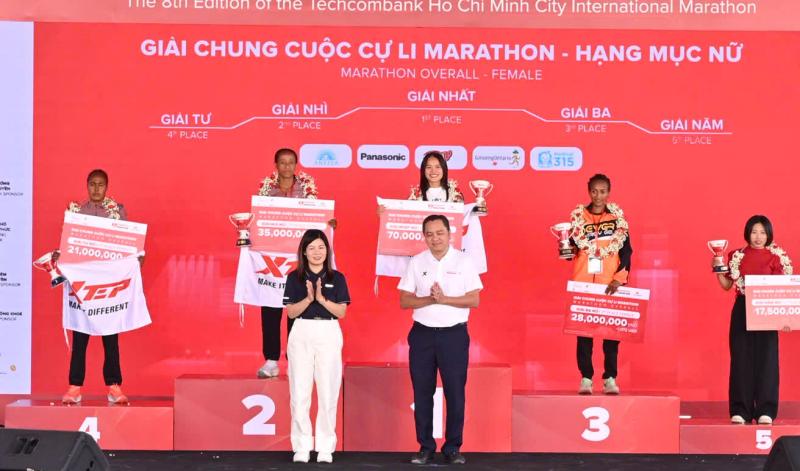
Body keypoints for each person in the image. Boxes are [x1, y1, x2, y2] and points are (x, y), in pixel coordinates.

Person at [398, 214, 482, 465]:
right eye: (430, 234)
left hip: (453, 335)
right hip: (422, 334)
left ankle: (453, 447)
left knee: (455, 393)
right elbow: (404, 300)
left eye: (440, 233)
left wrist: (445, 299)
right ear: (424, 237)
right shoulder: (417, 261)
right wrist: (429, 299)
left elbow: (474, 299)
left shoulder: (464, 261)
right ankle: (425, 447)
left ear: (449, 234)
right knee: (422, 392)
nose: (435, 238)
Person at [57, 169, 130, 405]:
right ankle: (74, 387)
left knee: (111, 338)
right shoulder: (76, 212)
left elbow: (127, 245)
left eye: (101, 185)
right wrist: (61, 257)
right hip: (83, 286)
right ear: (87, 186)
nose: (96, 189)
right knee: (80, 338)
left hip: (108, 285)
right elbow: (67, 245)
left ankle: (114, 386)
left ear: (107, 187)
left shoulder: (117, 212)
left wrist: (137, 258)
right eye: (92, 184)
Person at [715, 215, 792, 425]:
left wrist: (786, 318)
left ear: (769, 235)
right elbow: (726, 285)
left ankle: (766, 409)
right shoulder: (736, 256)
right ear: (747, 233)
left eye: (763, 232)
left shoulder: (777, 257)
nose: (758, 237)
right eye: (754, 232)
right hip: (743, 308)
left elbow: (783, 290)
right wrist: (717, 267)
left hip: (767, 309)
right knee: (741, 358)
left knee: (767, 359)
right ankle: (741, 410)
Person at [283, 229, 349, 463]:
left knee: (328, 391)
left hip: (328, 331)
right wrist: (309, 299)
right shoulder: (294, 277)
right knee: (299, 392)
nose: (317, 252)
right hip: (301, 331)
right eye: (311, 248)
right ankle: (301, 446)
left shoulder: (337, 277)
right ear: (304, 252)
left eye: (321, 247)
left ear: (327, 251)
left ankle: (325, 447)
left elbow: (341, 312)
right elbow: (291, 312)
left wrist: (321, 299)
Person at [255, 148, 321, 379]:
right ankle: (271, 360)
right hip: (273, 259)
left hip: (297, 260)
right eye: (282, 163)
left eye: (291, 162)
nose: (286, 167)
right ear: (276, 165)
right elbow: (258, 220)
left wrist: (328, 223)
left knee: (298, 309)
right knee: (270, 309)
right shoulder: (266, 190)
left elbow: (317, 218)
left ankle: (296, 361)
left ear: (296, 165)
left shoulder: (307, 189)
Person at [567, 174, 632, 395]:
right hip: (584, 283)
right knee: (584, 335)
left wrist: (619, 279)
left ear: (609, 192)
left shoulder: (617, 219)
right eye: (594, 191)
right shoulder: (579, 218)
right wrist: (566, 248)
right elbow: (571, 249)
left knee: (611, 335)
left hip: (609, 284)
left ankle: (610, 378)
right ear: (589, 191)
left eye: (603, 191)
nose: (598, 196)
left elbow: (627, 252)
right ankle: (586, 378)